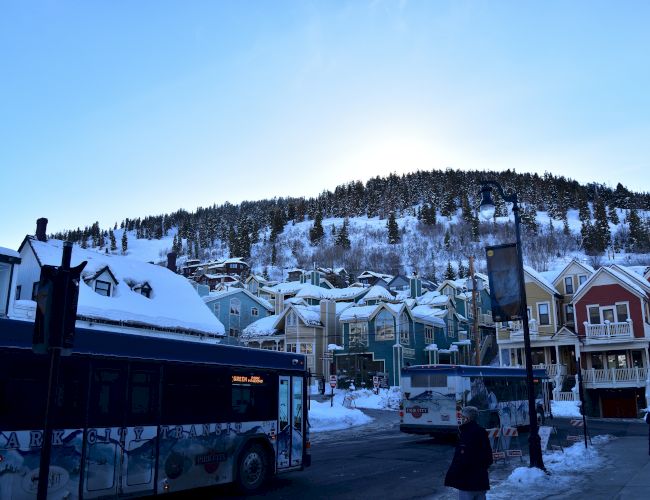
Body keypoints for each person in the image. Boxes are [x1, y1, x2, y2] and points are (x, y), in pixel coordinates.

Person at [444, 406, 493, 500]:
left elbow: (461, 459)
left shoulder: (465, 434)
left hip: (467, 482)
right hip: (481, 481)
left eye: (462, 417)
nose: (460, 419)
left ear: (467, 418)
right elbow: (489, 457)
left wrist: (453, 476)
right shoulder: (482, 431)